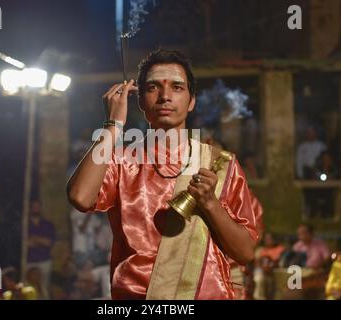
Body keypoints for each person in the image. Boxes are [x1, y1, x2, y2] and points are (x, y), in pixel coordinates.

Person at [67, 49, 257, 300]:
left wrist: (210, 203)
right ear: (140, 101)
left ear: (191, 101)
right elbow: (80, 197)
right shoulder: (123, 160)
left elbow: (245, 252)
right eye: (153, 87)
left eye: (177, 88)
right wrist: (113, 125)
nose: (165, 96)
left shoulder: (219, 164)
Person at [27, 200, 56, 299]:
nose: (36, 209)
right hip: (29, 261)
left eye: (37, 206)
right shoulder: (25, 224)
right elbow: (25, 244)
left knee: (43, 288)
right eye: (34, 207)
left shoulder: (47, 224)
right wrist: (41, 240)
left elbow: (49, 242)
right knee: (29, 288)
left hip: (44, 261)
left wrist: (35, 239)